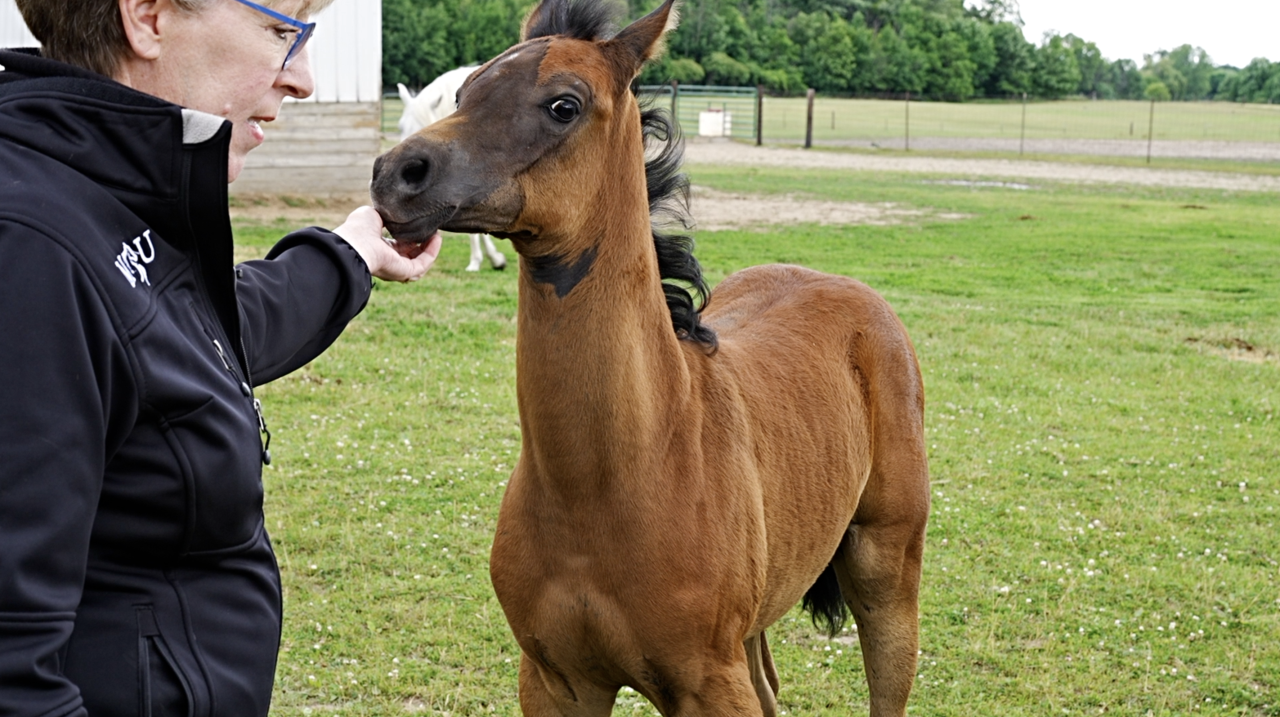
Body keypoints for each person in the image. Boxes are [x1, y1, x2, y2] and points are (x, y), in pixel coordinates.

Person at [0, 1, 442, 714]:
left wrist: (350, 252)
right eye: (281, 32)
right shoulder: (28, 246)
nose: (303, 77)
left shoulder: (93, 197)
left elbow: (188, 340)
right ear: (147, 18)